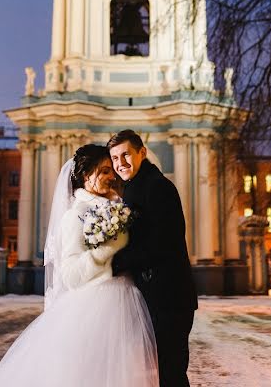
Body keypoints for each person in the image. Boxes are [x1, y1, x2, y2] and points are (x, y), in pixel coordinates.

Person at [0, 144, 158, 387]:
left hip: (128, 301)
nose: (112, 176)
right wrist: (105, 252)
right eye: (104, 171)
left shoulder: (118, 210)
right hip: (96, 308)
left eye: (111, 171)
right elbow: (70, 275)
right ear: (87, 176)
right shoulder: (75, 217)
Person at [109, 130, 197, 387]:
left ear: (142, 153)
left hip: (168, 298)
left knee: (170, 374)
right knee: (160, 373)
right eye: (115, 158)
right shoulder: (137, 186)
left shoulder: (157, 187)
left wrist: (115, 262)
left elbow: (162, 244)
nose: (120, 163)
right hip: (157, 296)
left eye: (126, 154)